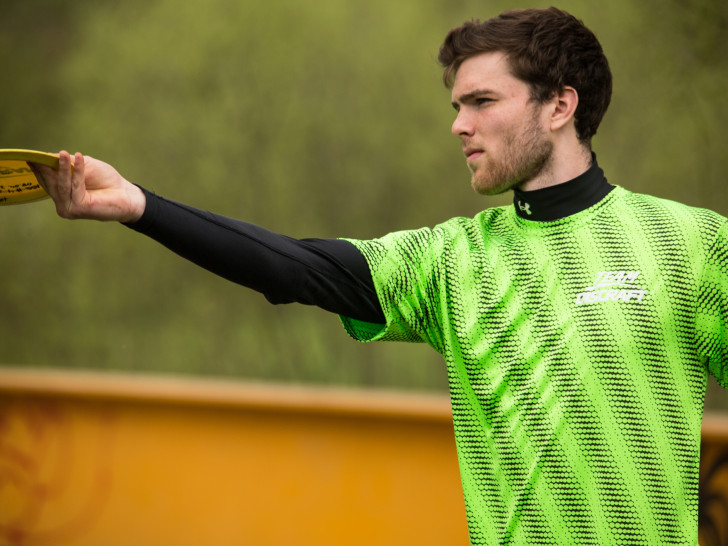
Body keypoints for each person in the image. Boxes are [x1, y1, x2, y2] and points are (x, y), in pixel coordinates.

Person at [30, 7, 727, 546]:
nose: (458, 124)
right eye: (456, 105)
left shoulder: (694, 244)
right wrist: (140, 206)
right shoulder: (449, 260)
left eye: (482, 102)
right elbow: (292, 267)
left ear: (559, 105)